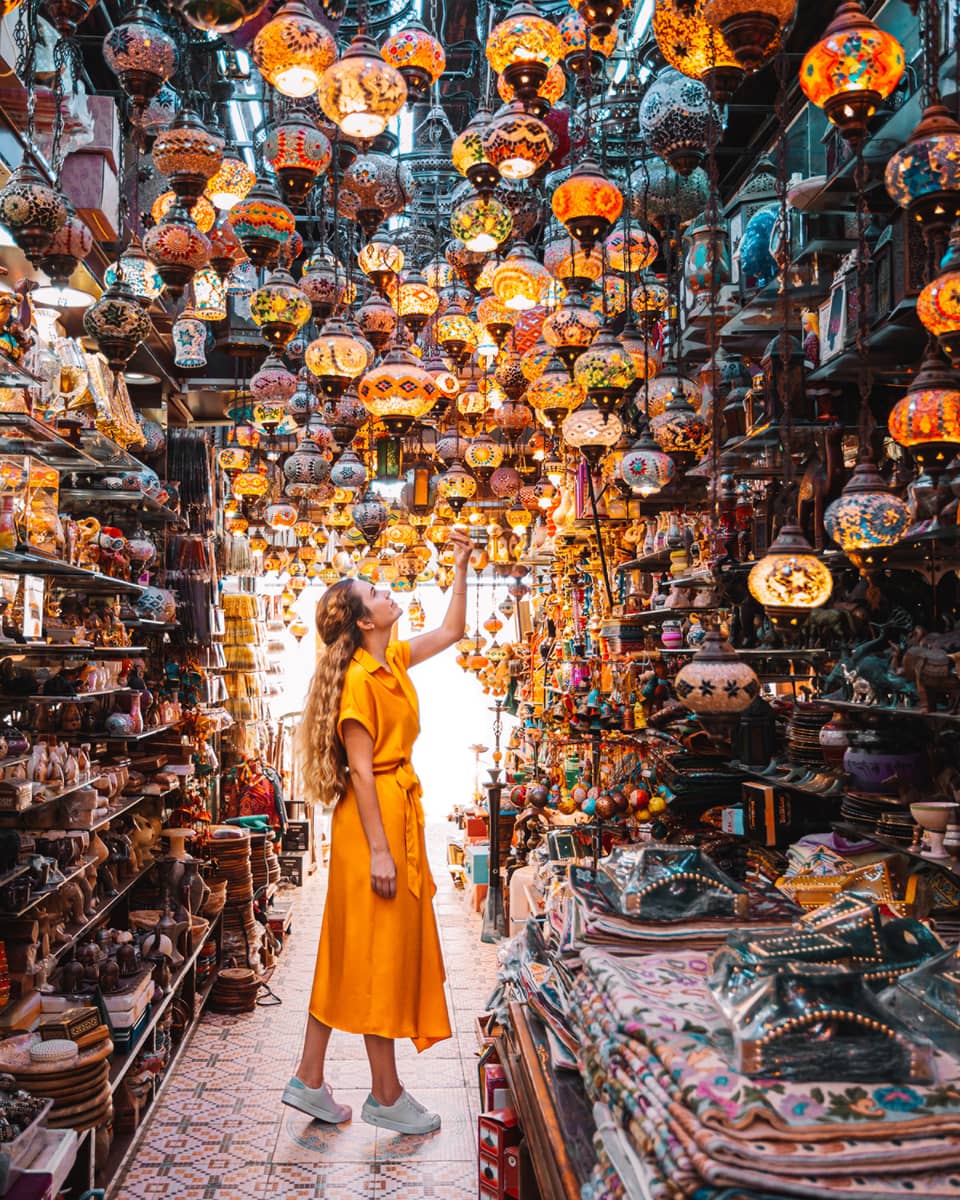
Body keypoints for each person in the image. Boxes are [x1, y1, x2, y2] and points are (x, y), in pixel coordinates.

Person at [283, 529, 474, 1136]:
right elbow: (361, 774)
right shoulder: (360, 683)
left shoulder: (387, 660)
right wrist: (383, 854)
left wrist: (463, 565)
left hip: (390, 814)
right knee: (376, 953)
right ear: (364, 621)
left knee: (351, 950)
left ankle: (310, 1079)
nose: (387, 591)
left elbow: (451, 634)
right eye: (375, 591)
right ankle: (385, 1094)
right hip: (374, 826)